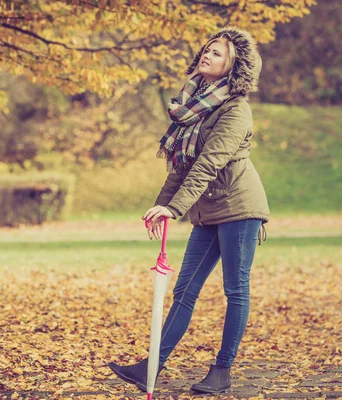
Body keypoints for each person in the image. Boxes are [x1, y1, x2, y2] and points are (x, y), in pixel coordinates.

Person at [108, 27, 270, 394]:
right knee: (184, 290)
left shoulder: (235, 110)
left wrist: (176, 209)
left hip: (240, 207)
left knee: (236, 290)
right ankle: (150, 365)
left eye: (217, 53)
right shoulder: (194, 109)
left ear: (234, 66)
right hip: (209, 210)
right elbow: (181, 166)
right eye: (207, 49)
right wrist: (163, 204)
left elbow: (208, 164)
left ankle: (222, 370)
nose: (207, 55)